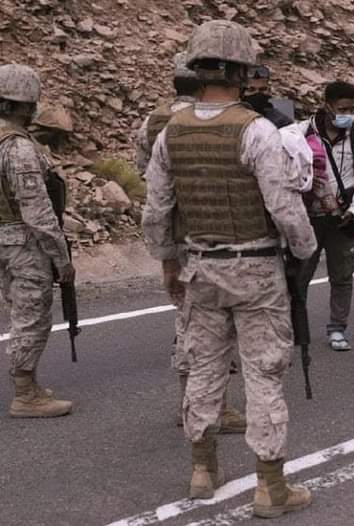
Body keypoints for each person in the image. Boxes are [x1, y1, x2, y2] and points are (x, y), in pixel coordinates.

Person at [142, 20, 317, 517]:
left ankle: (202, 470)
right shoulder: (257, 130)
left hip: (200, 268)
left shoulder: (171, 132)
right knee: (263, 374)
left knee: (203, 369)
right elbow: (284, 208)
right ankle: (270, 487)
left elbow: (157, 211)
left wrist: (168, 262)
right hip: (255, 269)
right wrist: (304, 250)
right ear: (242, 71)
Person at [135, 52, 246, 434]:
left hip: (176, 231)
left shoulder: (153, 122)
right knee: (210, 322)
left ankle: (196, 403)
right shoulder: (220, 119)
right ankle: (206, 408)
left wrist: (163, 247)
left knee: (189, 317)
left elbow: (149, 178)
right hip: (212, 233)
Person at [0, 64, 76, 417]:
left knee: (19, 311)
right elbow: (38, 212)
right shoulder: (18, 148)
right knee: (32, 316)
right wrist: (61, 258)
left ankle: (27, 385)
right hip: (24, 243)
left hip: (4, 240)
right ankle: (25, 395)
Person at [297, 81, 354, 352]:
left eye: (351, 109)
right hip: (308, 218)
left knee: (342, 274)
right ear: (328, 106)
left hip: (343, 219)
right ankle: (296, 329)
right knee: (299, 276)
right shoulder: (301, 133)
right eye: (342, 109)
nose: (347, 115)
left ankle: (337, 328)